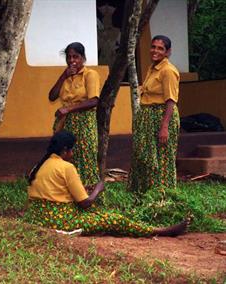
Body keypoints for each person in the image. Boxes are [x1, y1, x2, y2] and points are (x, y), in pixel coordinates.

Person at [24, 130, 189, 237]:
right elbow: (85, 204)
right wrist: (97, 189)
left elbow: (55, 190)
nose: (73, 154)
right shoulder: (67, 167)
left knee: (100, 214)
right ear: (65, 150)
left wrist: (84, 189)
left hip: (39, 217)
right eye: (72, 150)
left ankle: (131, 226)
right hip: (60, 221)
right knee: (114, 219)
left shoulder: (40, 165)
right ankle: (158, 231)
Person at [129, 35, 180, 194]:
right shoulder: (152, 68)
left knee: (162, 158)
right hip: (147, 117)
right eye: (153, 47)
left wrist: (164, 127)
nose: (155, 51)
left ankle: (163, 197)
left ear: (168, 52)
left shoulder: (168, 71)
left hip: (162, 116)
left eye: (160, 48)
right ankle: (144, 195)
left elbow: (171, 100)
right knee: (145, 156)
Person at [48, 42, 101, 188]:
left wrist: (68, 109)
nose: (72, 61)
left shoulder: (90, 75)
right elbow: (52, 96)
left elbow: (94, 101)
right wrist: (63, 76)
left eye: (76, 57)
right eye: (69, 57)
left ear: (83, 58)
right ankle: (70, 193)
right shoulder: (66, 76)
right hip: (66, 123)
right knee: (65, 157)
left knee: (85, 156)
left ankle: (88, 194)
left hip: (84, 121)